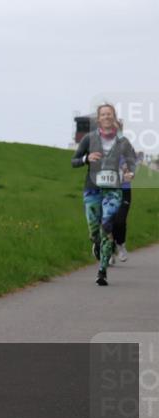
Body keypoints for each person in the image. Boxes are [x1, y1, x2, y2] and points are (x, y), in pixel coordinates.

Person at [71, 104, 136, 286]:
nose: (107, 117)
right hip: (92, 189)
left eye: (110, 114)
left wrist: (130, 172)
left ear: (114, 118)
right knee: (94, 231)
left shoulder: (122, 141)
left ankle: (102, 271)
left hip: (113, 190)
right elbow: (74, 161)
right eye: (103, 114)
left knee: (107, 225)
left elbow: (132, 160)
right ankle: (97, 243)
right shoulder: (89, 139)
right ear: (99, 119)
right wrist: (86, 159)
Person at [111, 120, 134, 262]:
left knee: (120, 220)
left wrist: (130, 172)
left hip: (124, 188)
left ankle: (121, 245)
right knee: (109, 221)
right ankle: (109, 250)